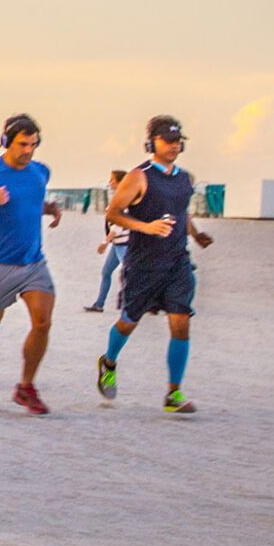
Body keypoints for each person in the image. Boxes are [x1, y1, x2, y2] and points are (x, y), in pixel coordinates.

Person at [97, 116, 213, 413]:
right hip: (143, 263)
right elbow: (113, 213)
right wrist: (146, 227)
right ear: (152, 143)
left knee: (181, 321)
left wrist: (196, 234)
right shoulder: (139, 176)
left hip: (177, 261)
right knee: (129, 321)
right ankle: (108, 361)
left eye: (178, 141)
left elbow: (181, 212)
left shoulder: (185, 178)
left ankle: (173, 394)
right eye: (168, 140)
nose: (174, 146)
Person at [0, 114, 62, 415]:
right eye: (22, 144)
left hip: (33, 262)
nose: (28, 150)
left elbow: (27, 202)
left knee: (42, 322)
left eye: (33, 144)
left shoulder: (41, 172)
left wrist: (50, 209)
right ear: (6, 142)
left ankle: (26, 387)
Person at [85, 169, 130, 312]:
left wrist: (105, 241)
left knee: (129, 274)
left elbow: (119, 224)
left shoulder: (124, 199)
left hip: (124, 243)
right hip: (117, 244)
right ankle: (99, 304)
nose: (110, 182)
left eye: (112, 180)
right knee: (106, 272)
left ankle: (130, 304)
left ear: (120, 182)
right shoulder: (118, 198)